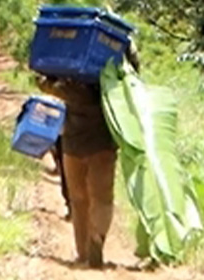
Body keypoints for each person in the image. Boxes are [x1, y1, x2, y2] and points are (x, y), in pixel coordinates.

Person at [36, 41, 140, 268]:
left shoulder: (70, 82)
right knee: (102, 197)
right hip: (103, 142)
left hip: (73, 142)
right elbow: (135, 76)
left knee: (79, 199)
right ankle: (97, 241)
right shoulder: (111, 83)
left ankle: (82, 253)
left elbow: (43, 81)